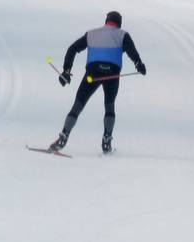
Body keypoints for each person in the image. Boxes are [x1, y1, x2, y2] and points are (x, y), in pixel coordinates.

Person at [50, 10, 146, 153]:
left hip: (92, 73)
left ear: (106, 22)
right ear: (119, 24)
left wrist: (66, 71)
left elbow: (72, 49)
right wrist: (138, 63)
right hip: (111, 74)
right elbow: (132, 51)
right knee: (109, 106)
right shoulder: (122, 35)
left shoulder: (91, 34)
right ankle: (106, 141)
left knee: (78, 105)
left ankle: (63, 137)